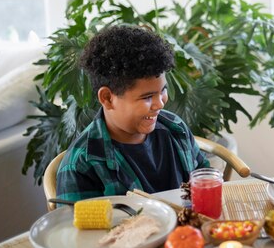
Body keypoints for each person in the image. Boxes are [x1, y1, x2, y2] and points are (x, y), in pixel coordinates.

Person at [56, 25, 209, 201]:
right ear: (107, 98)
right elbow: (77, 227)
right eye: (147, 97)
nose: (160, 103)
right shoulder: (82, 164)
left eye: (163, 91)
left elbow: (204, 177)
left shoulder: (176, 129)